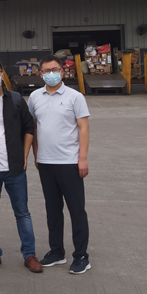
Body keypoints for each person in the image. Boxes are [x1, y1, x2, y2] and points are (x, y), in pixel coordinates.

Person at [0, 58, 43, 273]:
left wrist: (24, 155)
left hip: (14, 168)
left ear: (2, 74)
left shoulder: (15, 99)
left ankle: (29, 255)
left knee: (22, 212)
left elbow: (29, 128)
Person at [28, 55, 92, 275]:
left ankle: (81, 255)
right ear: (40, 74)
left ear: (62, 72)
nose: (51, 74)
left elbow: (84, 128)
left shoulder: (75, 97)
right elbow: (34, 127)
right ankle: (56, 251)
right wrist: (36, 154)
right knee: (53, 210)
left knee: (76, 210)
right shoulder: (35, 97)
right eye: (46, 71)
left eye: (55, 69)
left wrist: (82, 158)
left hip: (70, 162)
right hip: (46, 163)